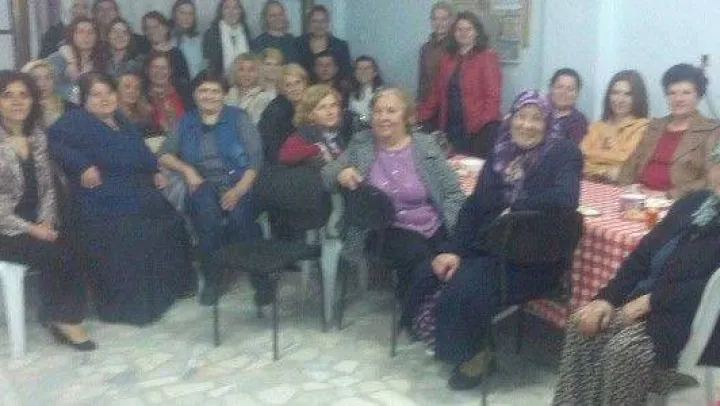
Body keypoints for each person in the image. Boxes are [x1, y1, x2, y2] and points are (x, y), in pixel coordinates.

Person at [415, 90, 582, 390]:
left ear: (547, 123)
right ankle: (466, 342)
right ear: (511, 118)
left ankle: (476, 355)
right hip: (491, 245)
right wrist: (455, 249)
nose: (527, 125)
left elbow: (565, 198)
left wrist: (514, 206)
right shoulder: (501, 151)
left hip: (533, 257)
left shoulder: (563, 152)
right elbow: (474, 205)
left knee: (464, 287)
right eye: (521, 116)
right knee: (428, 272)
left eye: (536, 118)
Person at [552, 142, 720, 406]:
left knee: (624, 352)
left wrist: (651, 301)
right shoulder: (695, 202)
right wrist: (606, 298)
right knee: (583, 325)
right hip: (646, 303)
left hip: (690, 322)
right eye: (719, 163)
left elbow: (707, 289)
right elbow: (642, 255)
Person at [48, 72, 195, 325]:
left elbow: (140, 149)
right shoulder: (73, 121)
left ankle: (169, 291)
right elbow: (50, 143)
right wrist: (82, 165)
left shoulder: (120, 119)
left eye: (109, 92)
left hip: (134, 189)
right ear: (84, 100)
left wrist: (154, 169)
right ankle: (132, 307)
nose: (104, 99)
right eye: (96, 95)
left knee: (171, 222)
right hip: (100, 197)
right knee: (134, 231)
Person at [323, 87, 464, 302]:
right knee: (419, 257)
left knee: (457, 256)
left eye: (391, 111)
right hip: (382, 230)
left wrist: (454, 230)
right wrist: (340, 172)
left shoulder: (425, 145)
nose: (383, 117)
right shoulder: (361, 143)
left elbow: (453, 193)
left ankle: (433, 306)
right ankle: (419, 310)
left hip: (432, 224)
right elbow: (326, 174)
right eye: (377, 111)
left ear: (407, 116)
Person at [0, 70, 95, 351]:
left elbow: (46, 187)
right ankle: (64, 319)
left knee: (78, 238)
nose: (17, 102)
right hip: (7, 227)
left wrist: (47, 220)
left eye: (24, 95)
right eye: (8, 96)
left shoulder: (37, 136)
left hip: (37, 220)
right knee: (55, 252)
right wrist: (32, 229)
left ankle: (58, 313)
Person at [158, 70, 267, 307]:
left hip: (241, 180)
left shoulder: (238, 118)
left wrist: (238, 190)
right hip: (203, 183)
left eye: (215, 91)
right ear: (195, 95)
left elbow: (256, 159)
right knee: (206, 216)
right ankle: (213, 279)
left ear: (224, 94)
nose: (209, 96)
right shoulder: (186, 121)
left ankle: (261, 279)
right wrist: (187, 170)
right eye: (203, 91)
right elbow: (164, 153)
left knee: (240, 218)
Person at [618, 63, 720, 199]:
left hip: (677, 202)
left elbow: (711, 180)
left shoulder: (712, 131)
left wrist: (668, 195)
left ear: (698, 96)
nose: (678, 99)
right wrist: (627, 188)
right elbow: (630, 164)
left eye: (686, 93)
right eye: (672, 93)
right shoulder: (655, 125)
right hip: (638, 196)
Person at [417, 11, 501, 156]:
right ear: (454, 33)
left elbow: (492, 97)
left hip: (478, 128)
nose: (463, 33)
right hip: (450, 124)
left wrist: (482, 125)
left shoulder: (487, 57)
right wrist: (418, 115)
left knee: (473, 166)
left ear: (476, 32)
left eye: (468, 29)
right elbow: (436, 93)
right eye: (459, 29)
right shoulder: (447, 59)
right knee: (452, 164)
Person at [581, 70, 650, 183]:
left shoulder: (643, 127)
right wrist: (606, 171)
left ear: (638, 98)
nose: (620, 100)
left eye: (628, 94)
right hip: (588, 183)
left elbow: (627, 160)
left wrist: (594, 160)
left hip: (621, 186)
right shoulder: (597, 126)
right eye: (615, 93)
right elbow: (582, 155)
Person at [278, 84, 347, 167]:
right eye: (322, 107)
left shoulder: (339, 133)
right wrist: (318, 148)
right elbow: (285, 155)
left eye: (333, 105)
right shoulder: (305, 134)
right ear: (310, 114)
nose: (330, 112)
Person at [46, 17, 107, 104]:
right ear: (72, 35)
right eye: (80, 32)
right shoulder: (57, 59)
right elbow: (48, 86)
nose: (86, 36)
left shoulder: (102, 60)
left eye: (90, 32)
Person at [257, 63, 309, 163]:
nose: (294, 89)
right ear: (282, 89)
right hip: (283, 163)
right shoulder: (274, 111)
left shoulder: (313, 103)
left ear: (305, 83)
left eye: (298, 82)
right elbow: (272, 149)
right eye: (288, 85)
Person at [295, 5, 352, 81]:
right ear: (309, 23)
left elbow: (346, 73)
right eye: (315, 21)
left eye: (323, 21)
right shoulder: (298, 43)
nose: (319, 25)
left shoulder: (341, 46)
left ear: (328, 23)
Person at [144, 50, 191, 135]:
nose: (159, 72)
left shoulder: (184, 90)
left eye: (164, 68)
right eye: (155, 67)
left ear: (170, 71)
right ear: (147, 70)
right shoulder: (142, 95)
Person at [142, 11, 191, 90]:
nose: (152, 31)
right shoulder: (143, 54)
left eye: (156, 27)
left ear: (166, 29)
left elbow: (185, 82)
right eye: (148, 28)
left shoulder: (177, 54)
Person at [203, 0, 252, 77]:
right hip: (220, 80)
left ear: (240, 11)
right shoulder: (211, 34)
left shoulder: (246, 31)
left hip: (245, 79)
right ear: (221, 11)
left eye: (235, 8)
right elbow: (209, 64)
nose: (231, 12)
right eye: (227, 8)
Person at [21, 60, 75, 128]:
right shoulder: (22, 109)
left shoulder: (70, 108)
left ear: (54, 80)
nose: (42, 84)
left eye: (48, 78)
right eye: (36, 79)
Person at [417, 2, 454, 101]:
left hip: (452, 102)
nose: (439, 23)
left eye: (443, 19)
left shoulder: (457, 46)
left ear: (451, 21)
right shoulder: (425, 49)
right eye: (435, 19)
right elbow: (422, 82)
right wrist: (420, 103)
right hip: (430, 102)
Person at [226, 53, 276, 125]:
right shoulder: (230, 93)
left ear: (258, 73)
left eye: (251, 70)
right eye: (241, 69)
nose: (245, 74)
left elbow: (254, 125)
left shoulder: (263, 98)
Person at [549, 68, 589, 144]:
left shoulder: (579, 122)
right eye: (559, 87)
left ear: (577, 93)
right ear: (551, 88)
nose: (563, 92)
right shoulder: (540, 112)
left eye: (570, 89)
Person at [347, 55, 384, 131]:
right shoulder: (352, 94)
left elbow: (369, 118)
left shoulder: (382, 94)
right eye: (359, 69)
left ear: (375, 72)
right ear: (354, 73)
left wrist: (360, 118)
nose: (363, 72)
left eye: (367, 68)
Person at [171, 0, 205, 80]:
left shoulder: (201, 39)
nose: (187, 17)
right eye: (182, 13)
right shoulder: (168, 39)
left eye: (190, 14)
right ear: (174, 14)